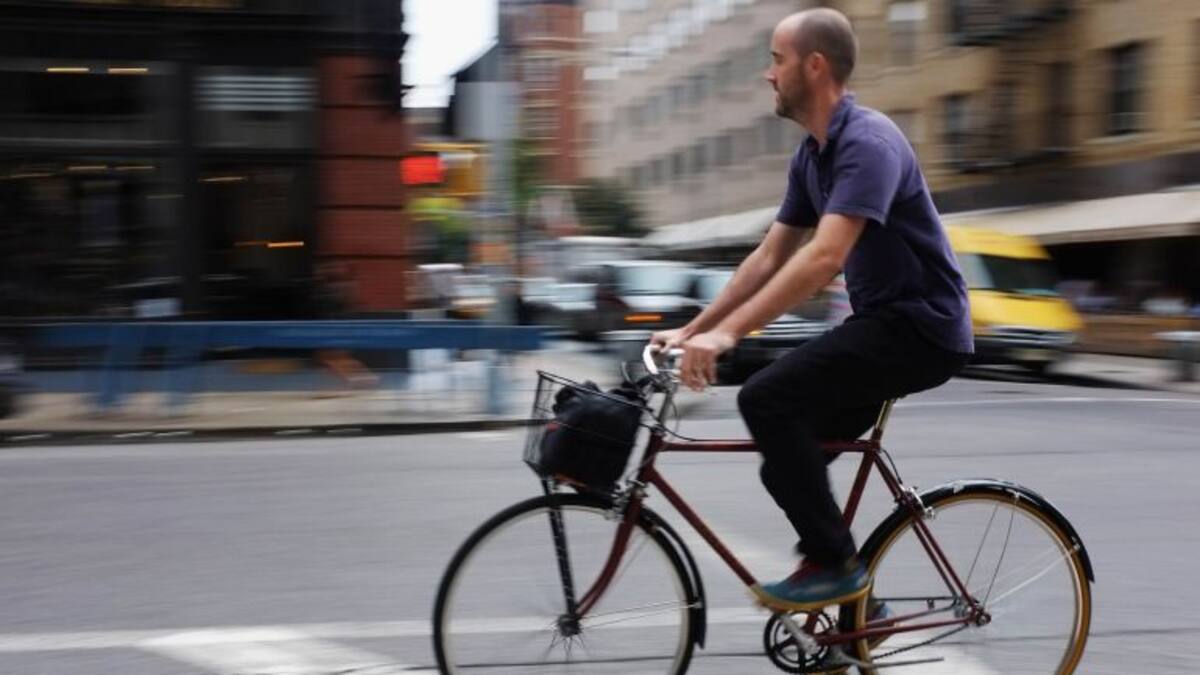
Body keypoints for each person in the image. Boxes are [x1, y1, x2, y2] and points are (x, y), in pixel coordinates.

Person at [650, 8, 974, 612]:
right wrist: (694, 329)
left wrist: (727, 338)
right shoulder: (813, 155)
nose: (768, 75)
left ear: (814, 65)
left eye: (776, 59)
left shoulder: (868, 143)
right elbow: (770, 256)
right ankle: (857, 613)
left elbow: (824, 257)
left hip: (921, 327)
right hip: (883, 324)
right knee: (785, 462)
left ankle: (835, 570)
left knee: (765, 398)